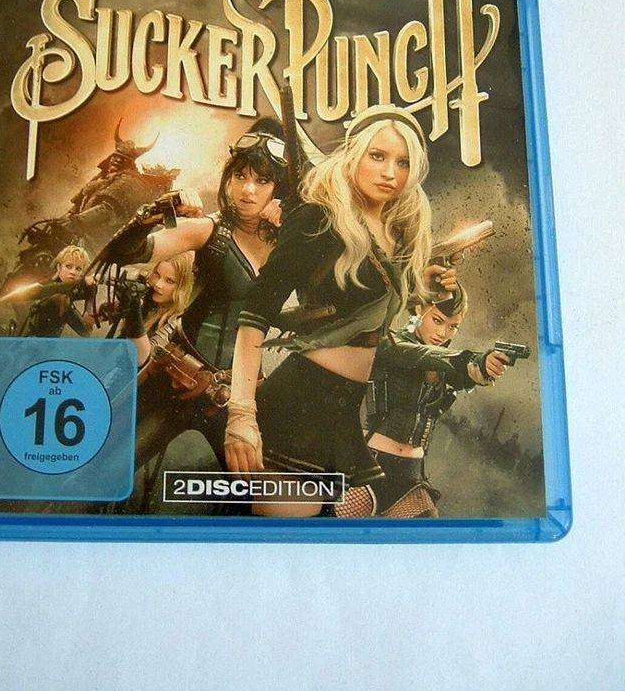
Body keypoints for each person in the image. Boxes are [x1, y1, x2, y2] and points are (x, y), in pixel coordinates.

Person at [224, 105, 459, 517]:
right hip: (298, 405)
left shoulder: (397, 234)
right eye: (377, 156)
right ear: (353, 153)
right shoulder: (316, 218)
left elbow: (362, 305)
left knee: (323, 540)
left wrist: (420, 282)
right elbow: (254, 316)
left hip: (343, 413)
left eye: (403, 162)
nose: (390, 173)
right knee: (285, 539)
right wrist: (241, 413)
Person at [95, 118, 289, 510]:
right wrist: (158, 210)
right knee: (101, 473)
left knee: (259, 503)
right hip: (173, 377)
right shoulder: (209, 231)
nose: (248, 190)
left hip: (233, 397)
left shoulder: (293, 243)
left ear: (279, 188)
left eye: (262, 180)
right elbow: (125, 252)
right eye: (240, 176)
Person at [335, 286, 510, 518]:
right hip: (367, 469)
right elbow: (416, 355)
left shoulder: (444, 363)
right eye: (437, 320)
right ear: (419, 309)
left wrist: (483, 367)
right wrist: (466, 360)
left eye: (453, 326)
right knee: (333, 535)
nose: (442, 333)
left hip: (410, 476)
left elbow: (466, 371)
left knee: (427, 535)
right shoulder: (389, 343)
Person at [16, 244, 96, 337]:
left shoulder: (52, 288)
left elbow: (74, 293)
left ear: (82, 274)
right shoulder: (61, 299)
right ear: (59, 268)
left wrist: (89, 287)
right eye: (68, 266)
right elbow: (85, 332)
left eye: (78, 269)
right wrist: (92, 290)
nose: (73, 272)